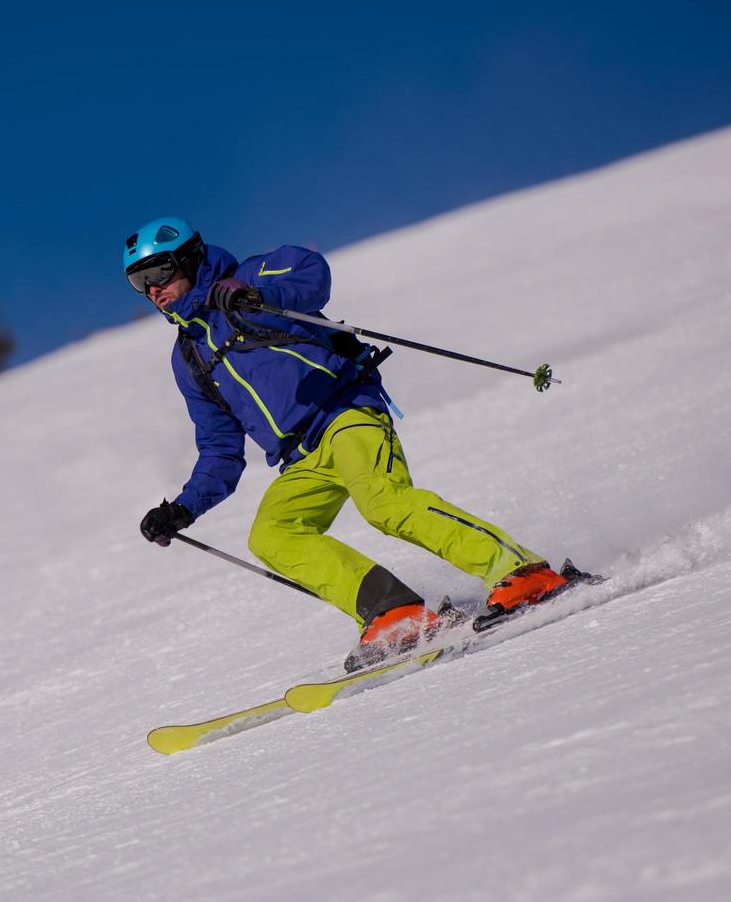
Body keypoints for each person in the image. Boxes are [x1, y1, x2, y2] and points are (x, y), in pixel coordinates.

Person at [126, 216, 571, 669]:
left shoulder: (250, 276)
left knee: (383, 503)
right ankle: (395, 612)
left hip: (345, 413)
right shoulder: (189, 357)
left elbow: (312, 272)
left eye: (158, 272)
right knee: (272, 535)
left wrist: (254, 296)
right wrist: (184, 508)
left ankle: (523, 572)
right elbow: (220, 448)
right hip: (300, 457)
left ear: (189, 258)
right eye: (139, 282)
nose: (152, 290)